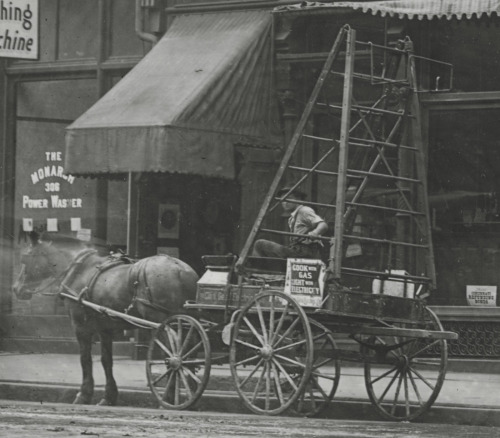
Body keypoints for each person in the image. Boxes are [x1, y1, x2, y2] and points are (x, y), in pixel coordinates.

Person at [252, 186, 328, 259]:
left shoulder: (304, 210)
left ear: (299, 199)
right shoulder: (293, 217)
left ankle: (253, 267)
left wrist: (315, 232)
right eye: (283, 200)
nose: (285, 203)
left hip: (304, 252)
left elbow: (323, 225)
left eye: (289, 198)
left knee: (259, 244)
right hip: (299, 251)